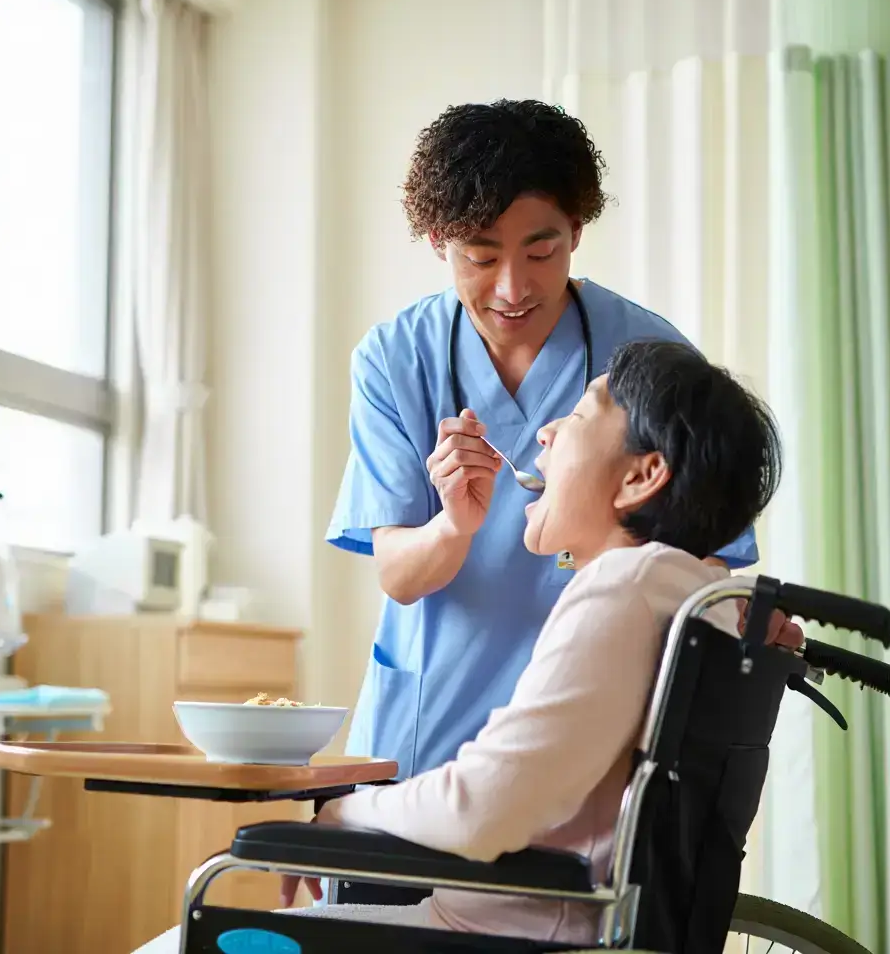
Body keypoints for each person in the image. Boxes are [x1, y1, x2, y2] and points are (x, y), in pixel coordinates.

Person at [325, 99, 760, 904]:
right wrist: (456, 522)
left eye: (541, 249)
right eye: (479, 256)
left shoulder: (646, 364)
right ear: (437, 243)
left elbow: (703, 562)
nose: (513, 286)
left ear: (577, 233)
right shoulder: (397, 358)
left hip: (583, 733)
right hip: (431, 715)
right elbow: (398, 573)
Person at [275, 339, 797, 944]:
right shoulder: (701, 596)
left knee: (194, 925)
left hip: (496, 935)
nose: (545, 433)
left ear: (641, 475)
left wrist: (342, 814)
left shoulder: (622, 586)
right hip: (548, 924)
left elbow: (480, 808)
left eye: (577, 417)